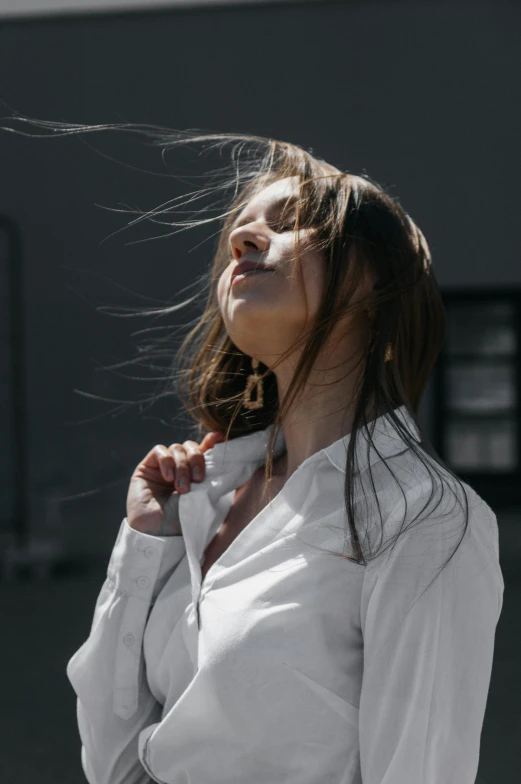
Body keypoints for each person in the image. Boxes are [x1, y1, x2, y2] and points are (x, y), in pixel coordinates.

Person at [60, 131, 504, 784]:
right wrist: (145, 541)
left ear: (379, 287)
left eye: (291, 223)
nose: (243, 241)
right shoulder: (203, 495)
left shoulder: (422, 518)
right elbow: (115, 764)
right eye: (238, 231)